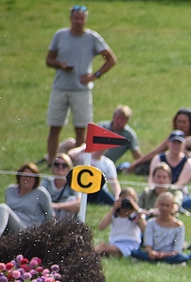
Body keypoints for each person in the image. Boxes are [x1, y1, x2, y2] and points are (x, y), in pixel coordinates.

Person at [45, 6, 117, 164]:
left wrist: (95, 75)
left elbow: (111, 59)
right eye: (76, 18)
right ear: (71, 19)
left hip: (81, 90)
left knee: (81, 129)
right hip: (60, 87)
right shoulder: (60, 35)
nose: (78, 21)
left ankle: (77, 164)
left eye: (81, 18)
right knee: (54, 127)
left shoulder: (92, 37)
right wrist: (59, 64)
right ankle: (51, 163)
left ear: (85, 20)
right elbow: (48, 59)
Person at [127, 108, 191, 174]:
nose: (181, 125)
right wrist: (134, 165)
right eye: (179, 121)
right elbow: (156, 152)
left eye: (184, 122)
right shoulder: (173, 137)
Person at [62, 105, 142, 164]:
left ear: (127, 121)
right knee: (69, 142)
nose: (119, 121)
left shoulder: (129, 135)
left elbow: (136, 153)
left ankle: (64, 164)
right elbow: (87, 142)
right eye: (118, 118)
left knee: (74, 155)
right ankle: (53, 161)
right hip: (89, 152)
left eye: (123, 119)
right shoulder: (102, 126)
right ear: (113, 117)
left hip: (102, 160)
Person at [0, 163, 55, 238]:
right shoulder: (10, 190)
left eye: (30, 177)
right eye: (25, 176)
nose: (27, 179)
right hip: (10, 226)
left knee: (3, 207)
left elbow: (50, 217)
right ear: (19, 177)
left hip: (27, 231)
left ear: (35, 179)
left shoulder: (41, 193)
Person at [130, 193, 187, 264]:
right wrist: (151, 252)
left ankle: (156, 260)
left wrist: (164, 254)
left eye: (167, 205)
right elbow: (148, 245)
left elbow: (177, 250)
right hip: (153, 253)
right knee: (134, 252)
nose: (164, 208)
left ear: (172, 207)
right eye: (162, 205)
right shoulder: (151, 223)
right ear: (157, 205)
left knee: (182, 257)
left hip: (169, 255)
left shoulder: (178, 225)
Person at [94, 188, 147, 258]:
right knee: (102, 246)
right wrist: (113, 209)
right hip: (114, 243)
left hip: (130, 244)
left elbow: (146, 231)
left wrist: (137, 210)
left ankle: (95, 254)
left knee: (103, 247)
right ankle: (98, 254)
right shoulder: (115, 214)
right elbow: (101, 227)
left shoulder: (136, 215)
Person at [41, 153, 81, 219]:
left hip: (64, 219)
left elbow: (79, 204)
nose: (60, 167)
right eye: (57, 164)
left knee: (72, 199)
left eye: (64, 165)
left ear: (69, 168)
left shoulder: (73, 184)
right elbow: (37, 200)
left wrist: (56, 206)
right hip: (46, 216)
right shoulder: (46, 182)